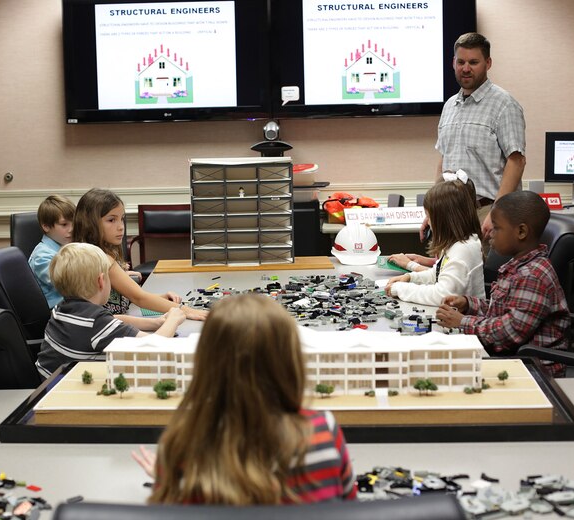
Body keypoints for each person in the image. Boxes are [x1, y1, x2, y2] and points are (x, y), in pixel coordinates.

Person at [132, 294, 357, 504]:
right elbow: (349, 508)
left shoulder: (182, 444)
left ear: (205, 361)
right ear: (289, 359)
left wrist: (170, 475)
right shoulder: (322, 430)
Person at [436, 191, 570, 377]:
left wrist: (462, 322)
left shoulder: (533, 276)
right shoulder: (518, 266)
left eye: (497, 228)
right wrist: (469, 304)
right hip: (516, 360)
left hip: (535, 372)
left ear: (521, 232)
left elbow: (509, 332)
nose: (490, 233)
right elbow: (502, 311)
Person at [422, 32, 526, 242]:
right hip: (450, 213)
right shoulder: (450, 106)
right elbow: (443, 160)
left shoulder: (504, 105)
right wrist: (432, 210)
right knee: (448, 273)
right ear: (453, 63)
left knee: (483, 274)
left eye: (473, 62)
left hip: (486, 212)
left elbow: (516, 161)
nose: (466, 68)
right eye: (461, 62)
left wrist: (496, 213)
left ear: (488, 63)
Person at [35, 242, 186, 378]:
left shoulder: (62, 308)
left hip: (46, 383)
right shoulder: (95, 322)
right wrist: (173, 319)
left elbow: (113, 321)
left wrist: (157, 323)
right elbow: (153, 348)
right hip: (64, 390)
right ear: (101, 281)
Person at [73, 188, 207, 321]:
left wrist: (160, 298)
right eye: (111, 220)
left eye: (122, 219)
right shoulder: (103, 259)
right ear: (90, 223)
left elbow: (130, 297)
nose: (121, 226)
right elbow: (139, 298)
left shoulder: (94, 253)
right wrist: (187, 310)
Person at [385, 174, 485, 306]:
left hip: (463, 322)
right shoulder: (457, 244)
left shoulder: (463, 249)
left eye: (429, 216)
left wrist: (400, 288)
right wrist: (411, 277)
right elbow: (437, 274)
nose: (428, 222)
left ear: (443, 219)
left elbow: (442, 296)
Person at [28, 195, 76, 308]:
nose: (72, 229)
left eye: (74, 223)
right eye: (64, 224)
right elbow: (66, 283)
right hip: (56, 312)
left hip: (72, 305)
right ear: (46, 226)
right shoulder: (41, 256)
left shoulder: (67, 246)